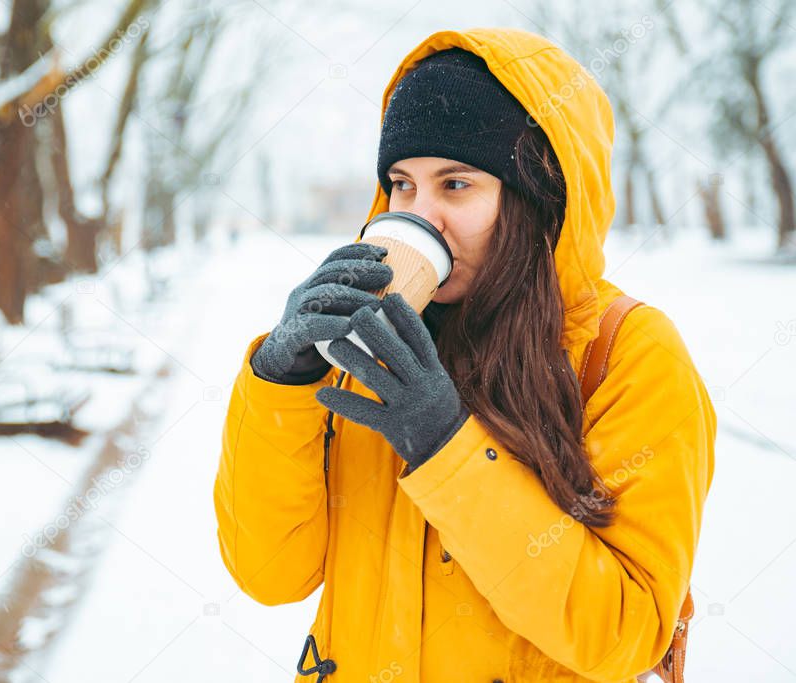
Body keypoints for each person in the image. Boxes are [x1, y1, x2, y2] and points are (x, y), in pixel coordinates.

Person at [213, 28, 716, 683]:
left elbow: (621, 633)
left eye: (455, 185)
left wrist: (447, 447)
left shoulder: (628, 354)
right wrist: (280, 382)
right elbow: (270, 572)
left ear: (539, 197)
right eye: (401, 184)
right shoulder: (370, 347)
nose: (421, 216)